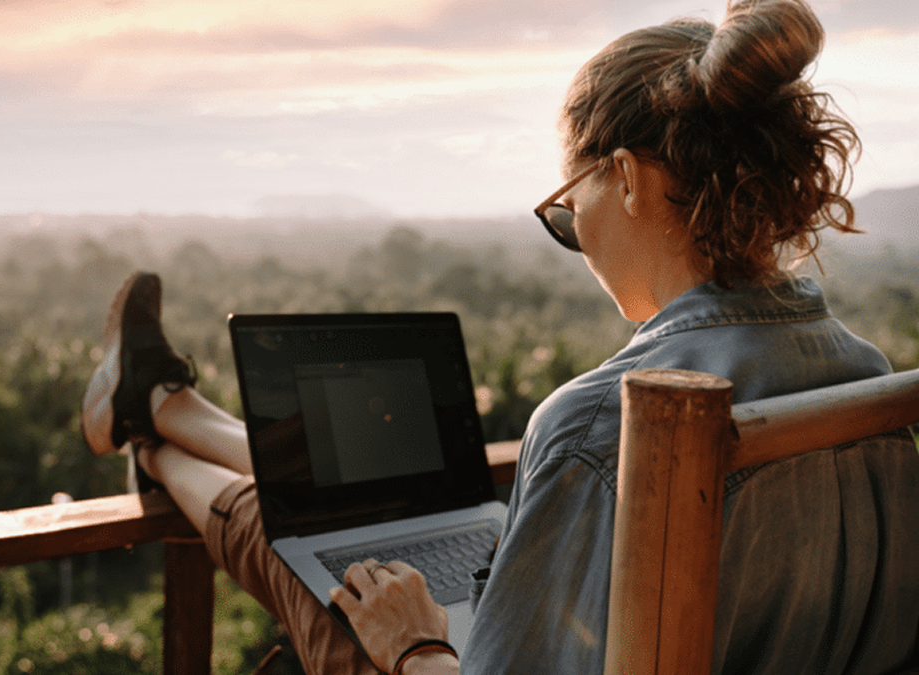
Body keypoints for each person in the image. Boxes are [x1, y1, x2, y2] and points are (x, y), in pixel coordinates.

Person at [80, 0, 919, 672]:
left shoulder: (603, 425)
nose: (574, 233)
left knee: (305, 551)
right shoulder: (869, 381)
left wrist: (415, 642)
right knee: (331, 514)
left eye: (568, 206)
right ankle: (164, 409)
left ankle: (151, 427)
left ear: (627, 178)